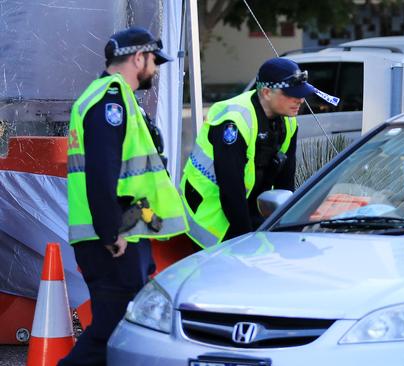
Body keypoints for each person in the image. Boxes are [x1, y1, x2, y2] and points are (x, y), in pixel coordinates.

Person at [61, 27, 188, 366]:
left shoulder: (113, 98)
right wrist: (110, 231)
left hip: (121, 232)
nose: (156, 69)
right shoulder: (110, 100)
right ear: (138, 58)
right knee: (114, 333)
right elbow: (102, 172)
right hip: (113, 238)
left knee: (118, 332)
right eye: (154, 61)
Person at [181, 58, 337, 248]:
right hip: (209, 215)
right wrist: (248, 242)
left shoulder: (288, 121)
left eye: (301, 94)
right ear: (266, 92)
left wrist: (285, 232)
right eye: (291, 94)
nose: (300, 100)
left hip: (249, 209)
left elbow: (285, 186)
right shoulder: (234, 121)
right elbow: (231, 190)